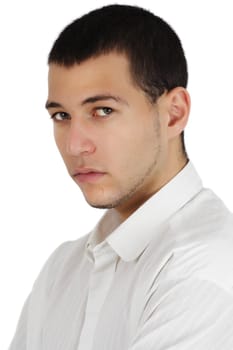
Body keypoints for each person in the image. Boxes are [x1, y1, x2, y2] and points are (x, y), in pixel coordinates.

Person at [9, 4, 233, 350]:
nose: (74, 145)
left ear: (174, 114)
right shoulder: (62, 270)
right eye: (62, 115)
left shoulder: (207, 270)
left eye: (103, 111)